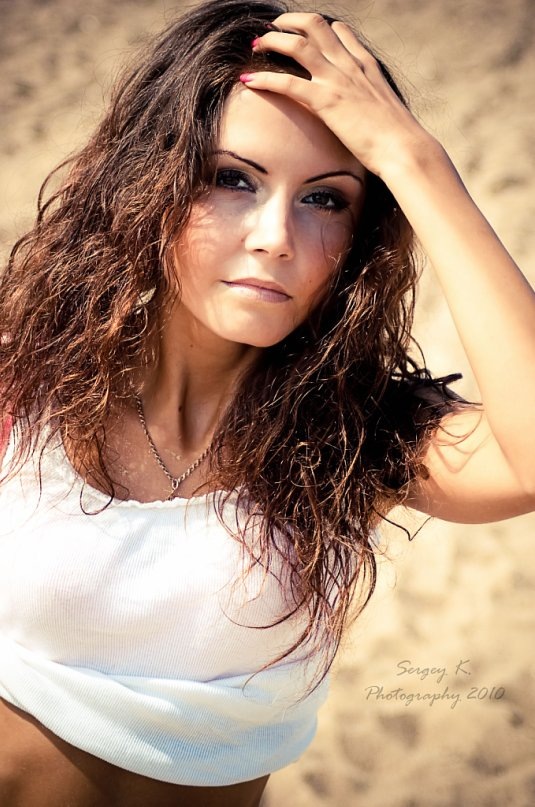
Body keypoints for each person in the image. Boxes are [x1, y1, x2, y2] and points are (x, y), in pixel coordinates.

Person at [0, 0, 534, 804]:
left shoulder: (355, 438)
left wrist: (414, 160)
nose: (275, 235)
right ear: (150, 182)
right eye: (231, 179)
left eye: (326, 198)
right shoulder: (25, 381)